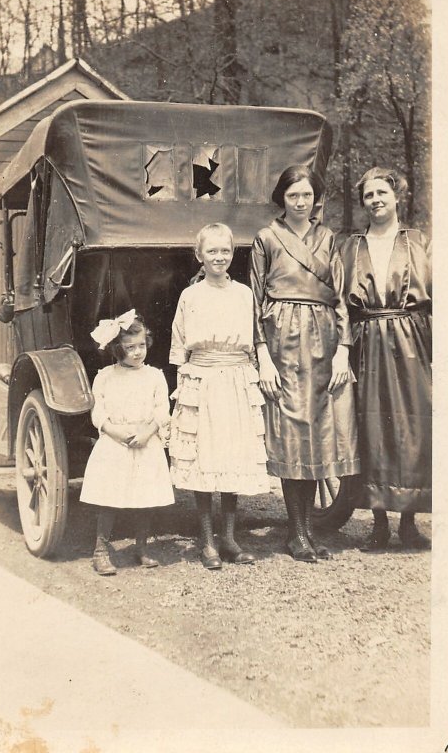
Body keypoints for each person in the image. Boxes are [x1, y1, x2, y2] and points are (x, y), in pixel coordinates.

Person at [249, 165, 360, 563]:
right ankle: (296, 533)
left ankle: (307, 531)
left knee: (318, 430)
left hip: (323, 336)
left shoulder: (328, 237)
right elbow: (256, 299)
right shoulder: (266, 238)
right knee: (292, 430)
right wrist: (262, 353)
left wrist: (343, 347)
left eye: (307, 195)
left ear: (316, 199)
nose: (300, 202)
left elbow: (341, 296)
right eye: (293, 195)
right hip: (281, 337)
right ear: (282, 197)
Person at [169, 223, 270, 570]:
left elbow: (254, 340)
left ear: (232, 253)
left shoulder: (244, 294)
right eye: (211, 251)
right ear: (199, 255)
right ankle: (207, 541)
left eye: (225, 251)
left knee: (232, 456)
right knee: (204, 458)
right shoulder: (190, 296)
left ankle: (229, 538)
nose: (219, 257)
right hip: (203, 377)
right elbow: (179, 344)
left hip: (236, 377)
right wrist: (183, 386)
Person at [341, 166, 432, 551]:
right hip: (366, 340)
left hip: (411, 339)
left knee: (412, 425)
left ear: (397, 197)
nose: (376, 200)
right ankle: (378, 522)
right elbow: (340, 305)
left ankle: (408, 521)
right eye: (368, 195)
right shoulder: (351, 246)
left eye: (382, 193)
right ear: (362, 202)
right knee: (372, 426)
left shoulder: (418, 241)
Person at [80, 309, 175, 575]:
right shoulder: (106, 376)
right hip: (115, 442)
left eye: (141, 345)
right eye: (130, 347)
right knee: (109, 496)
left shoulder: (154, 376)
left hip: (145, 440)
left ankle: (141, 547)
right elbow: (98, 412)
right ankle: (100, 550)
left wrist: (148, 431)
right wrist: (113, 431)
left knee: (144, 495)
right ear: (116, 348)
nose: (137, 352)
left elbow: (161, 409)